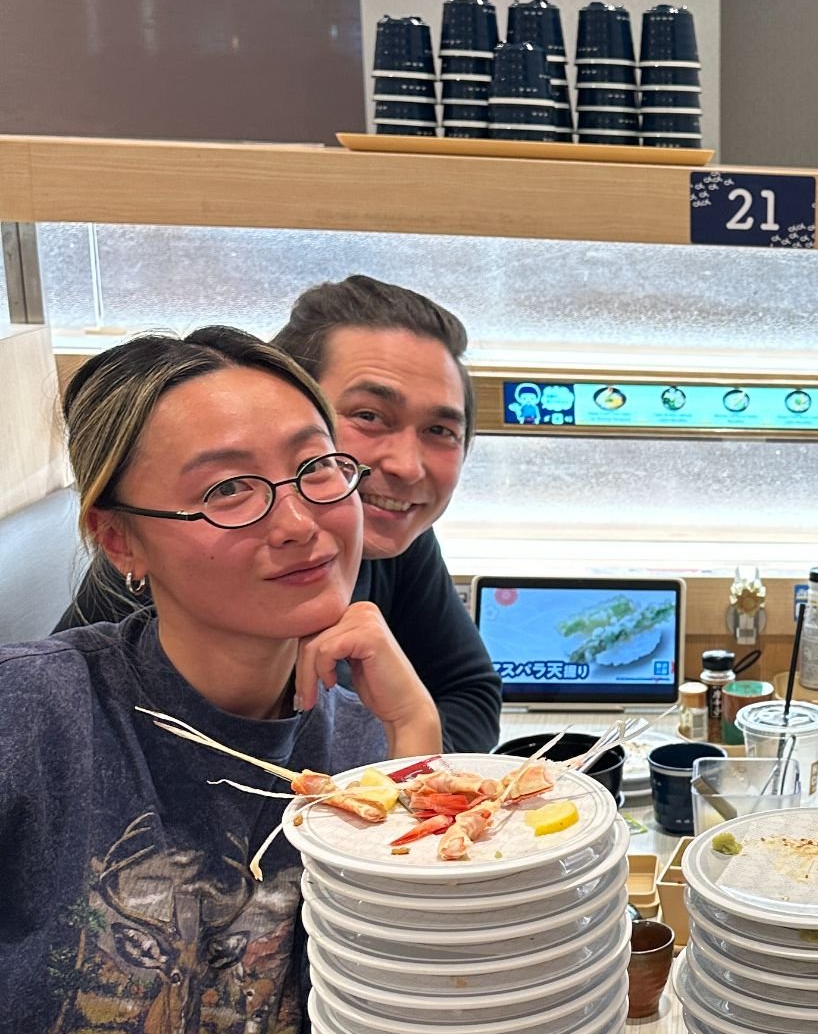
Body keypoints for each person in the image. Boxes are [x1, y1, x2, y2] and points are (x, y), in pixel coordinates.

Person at [1, 326, 438, 1034]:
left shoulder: (358, 749)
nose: (300, 521)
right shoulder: (32, 718)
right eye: (230, 491)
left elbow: (419, 1029)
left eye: (315, 468)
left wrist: (415, 741)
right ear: (120, 540)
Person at [61, 274, 501, 752]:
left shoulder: (381, 530)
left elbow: (468, 689)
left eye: (440, 430)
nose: (407, 466)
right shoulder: (169, 561)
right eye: (368, 416)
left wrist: (400, 747)